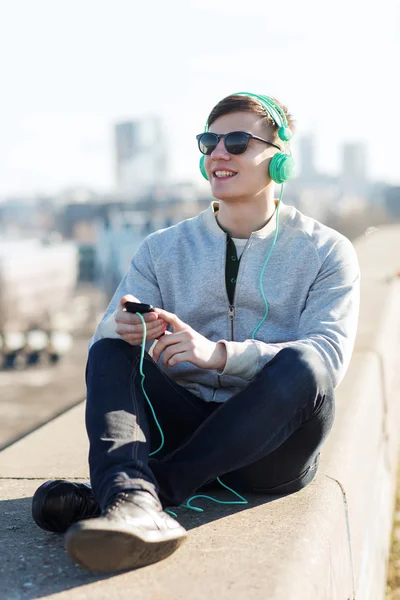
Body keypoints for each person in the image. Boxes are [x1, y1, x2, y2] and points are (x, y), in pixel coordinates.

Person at [32, 92, 360, 573]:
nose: (218, 153)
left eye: (237, 141)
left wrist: (219, 356)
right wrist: (128, 327)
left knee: (306, 364)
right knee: (108, 346)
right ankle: (131, 495)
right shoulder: (161, 248)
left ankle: (143, 494)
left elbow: (329, 357)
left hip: (271, 451)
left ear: (282, 160)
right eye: (210, 141)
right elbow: (108, 335)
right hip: (178, 428)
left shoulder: (327, 251)